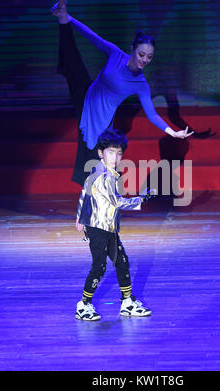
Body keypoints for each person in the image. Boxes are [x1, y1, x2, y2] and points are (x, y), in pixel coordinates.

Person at [51, 0, 194, 186]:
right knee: (73, 62)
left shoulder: (141, 84)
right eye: (141, 54)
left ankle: (98, 204)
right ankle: (62, 16)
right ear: (132, 49)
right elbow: (92, 36)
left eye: (149, 57)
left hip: (103, 118)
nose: (144, 59)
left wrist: (173, 132)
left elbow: (152, 114)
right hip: (88, 94)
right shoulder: (115, 54)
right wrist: (69, 19)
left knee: (97, 162)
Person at [75, 129, 155, 321]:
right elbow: (117, 202)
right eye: (111, 152)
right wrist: (141, 199)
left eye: (119, 153)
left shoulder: (101, 171)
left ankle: (127, 302)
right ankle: (83, 305)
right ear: (101, 153)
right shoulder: (105, 176)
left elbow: (85, 194)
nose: (116, 157)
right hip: (99, 228)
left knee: (122, 262)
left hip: (108, 227)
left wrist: (79, 218)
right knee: (99, 267)